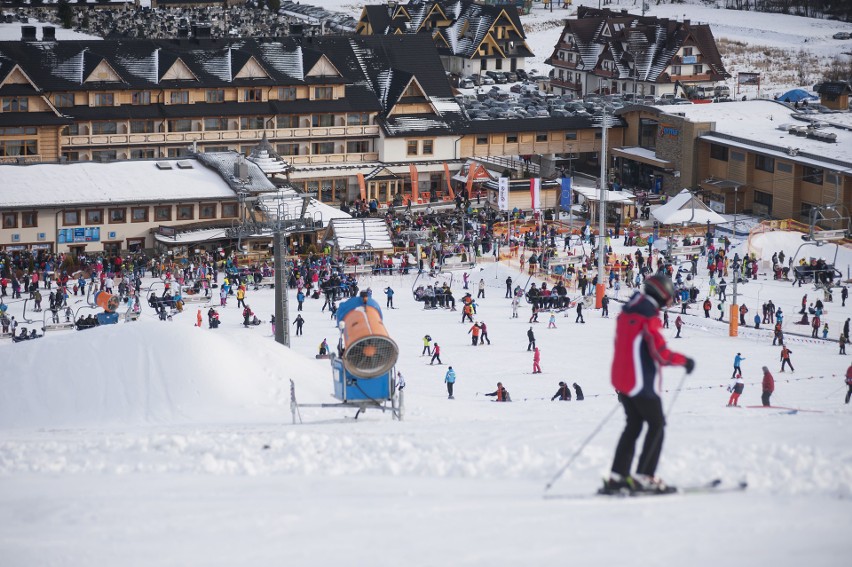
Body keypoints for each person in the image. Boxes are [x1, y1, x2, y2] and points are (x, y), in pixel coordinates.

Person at [603, 274, 695, 494]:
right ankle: (644, 476)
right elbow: (660, 353)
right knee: (656, 425)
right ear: (663, 294)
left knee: (633, 425)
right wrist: (686, 362)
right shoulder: (648, 316)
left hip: (622, 380)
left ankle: (618, 476)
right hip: (641, 383)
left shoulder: (628, 311)